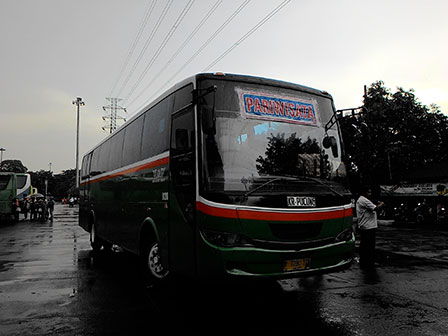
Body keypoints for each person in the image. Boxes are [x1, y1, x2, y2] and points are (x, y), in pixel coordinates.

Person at [356, 187, 385, 268]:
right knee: (369, 246)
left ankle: (365, 261)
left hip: (366, 226)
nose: (370, 194)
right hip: (368, 227)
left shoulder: (362, 200)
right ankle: (369, 262)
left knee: (365, 245)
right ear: (364, 193)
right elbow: (376, 208)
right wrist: (382, 203)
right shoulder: (364, 200)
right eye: (368, 192)